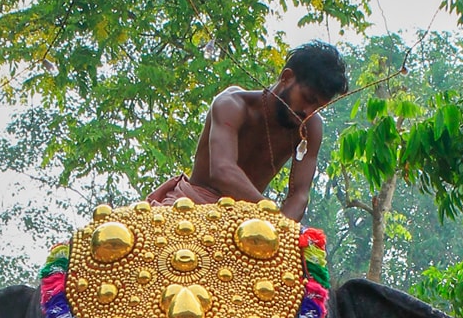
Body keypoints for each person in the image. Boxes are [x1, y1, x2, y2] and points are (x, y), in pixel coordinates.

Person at [149, 40, 350, 219]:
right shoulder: (231, 105)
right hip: (192, 208)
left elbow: (299, 195)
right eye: (308, 98)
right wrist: (269, 213)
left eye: (318, 107)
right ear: (286, 77)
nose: (308, 112)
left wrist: (281, 229)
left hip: (251, 222)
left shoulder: (311, 126)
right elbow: (222, 171)